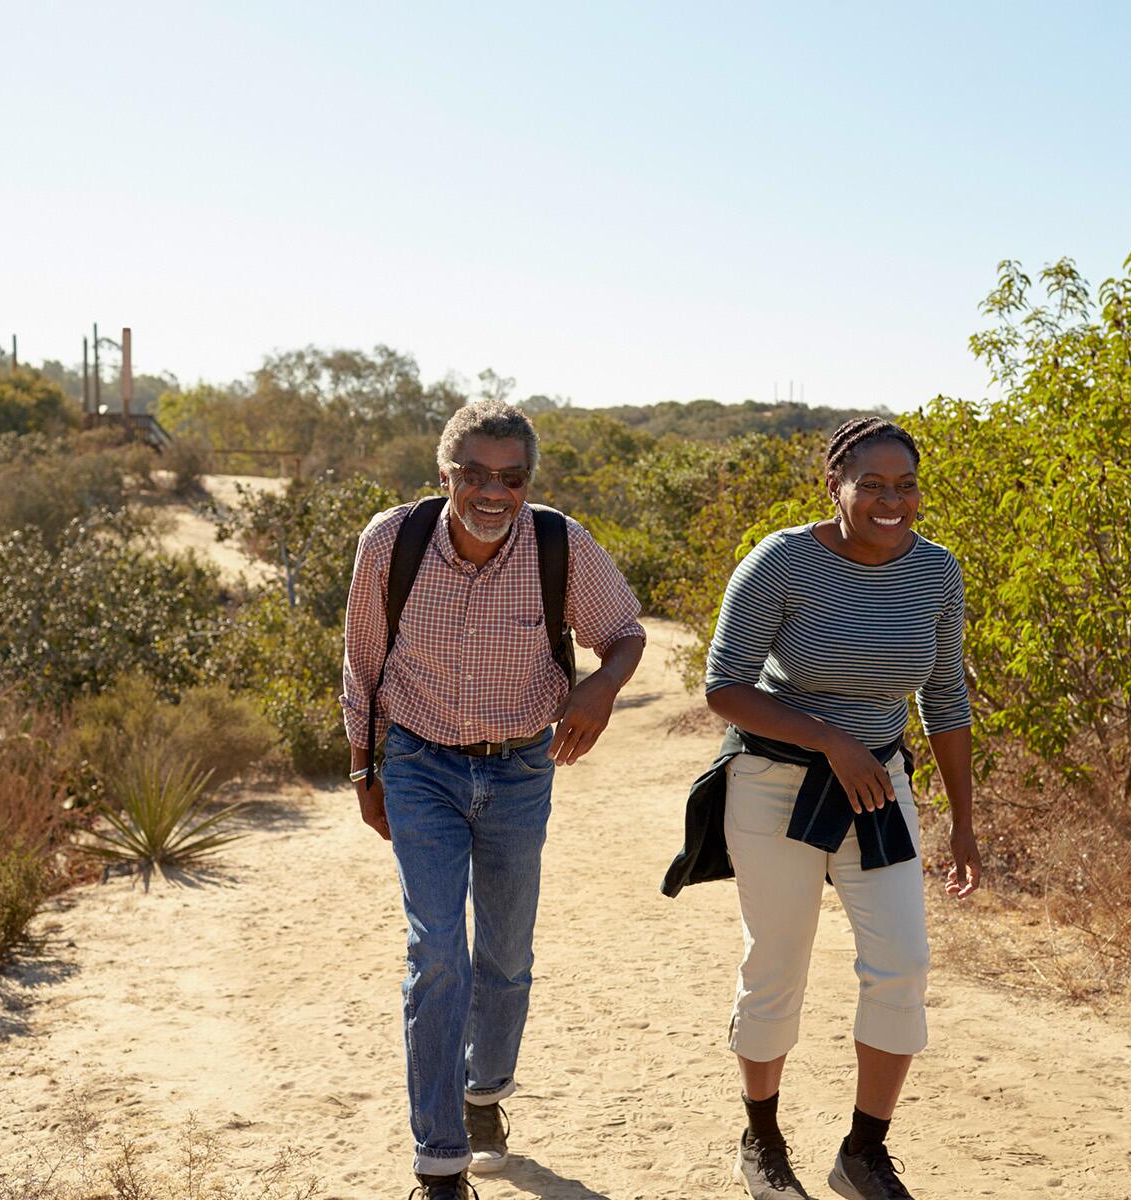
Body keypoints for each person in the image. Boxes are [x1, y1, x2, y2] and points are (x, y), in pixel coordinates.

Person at [340, 400, 646, 1200]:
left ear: (527, 481)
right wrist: (362, 770)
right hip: (418, 764)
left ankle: (484, 1095)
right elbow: (363, 666)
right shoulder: (391, 543)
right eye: (474, 474)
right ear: (445, 475)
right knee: (436, 950)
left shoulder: (559, 544)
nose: (493, 492)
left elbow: (625, 632)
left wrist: (600, 690)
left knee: (504, 960)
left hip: (518, 770)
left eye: (510, 477)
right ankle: (439, 1163)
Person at [696, 417, 979, 1200]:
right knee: (776, 967)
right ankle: (762, 1141)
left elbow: (946, 695)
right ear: (837, 487)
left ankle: (864, 1152)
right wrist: (829, 738)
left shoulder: (936, 572)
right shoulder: (782, 561)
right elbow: (724, 687)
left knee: (904, 965)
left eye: (907, 485)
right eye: (873, 485)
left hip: (879, 790)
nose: (893, 501)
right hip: (775, 784)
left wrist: (961, 821)